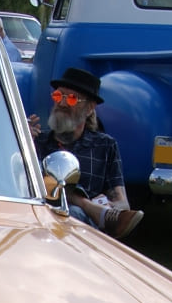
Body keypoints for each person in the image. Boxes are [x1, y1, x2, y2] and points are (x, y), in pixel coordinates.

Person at [33, 67, 143, 239]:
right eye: (57, 96)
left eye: (71, 99)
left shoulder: (104, 145)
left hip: (84, 234)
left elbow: (122, 204)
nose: (61, 103)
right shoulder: (36, 141)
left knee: (73, 212)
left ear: (90, 108)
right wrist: (19, 140)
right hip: (39, 222)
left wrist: (104, 205)